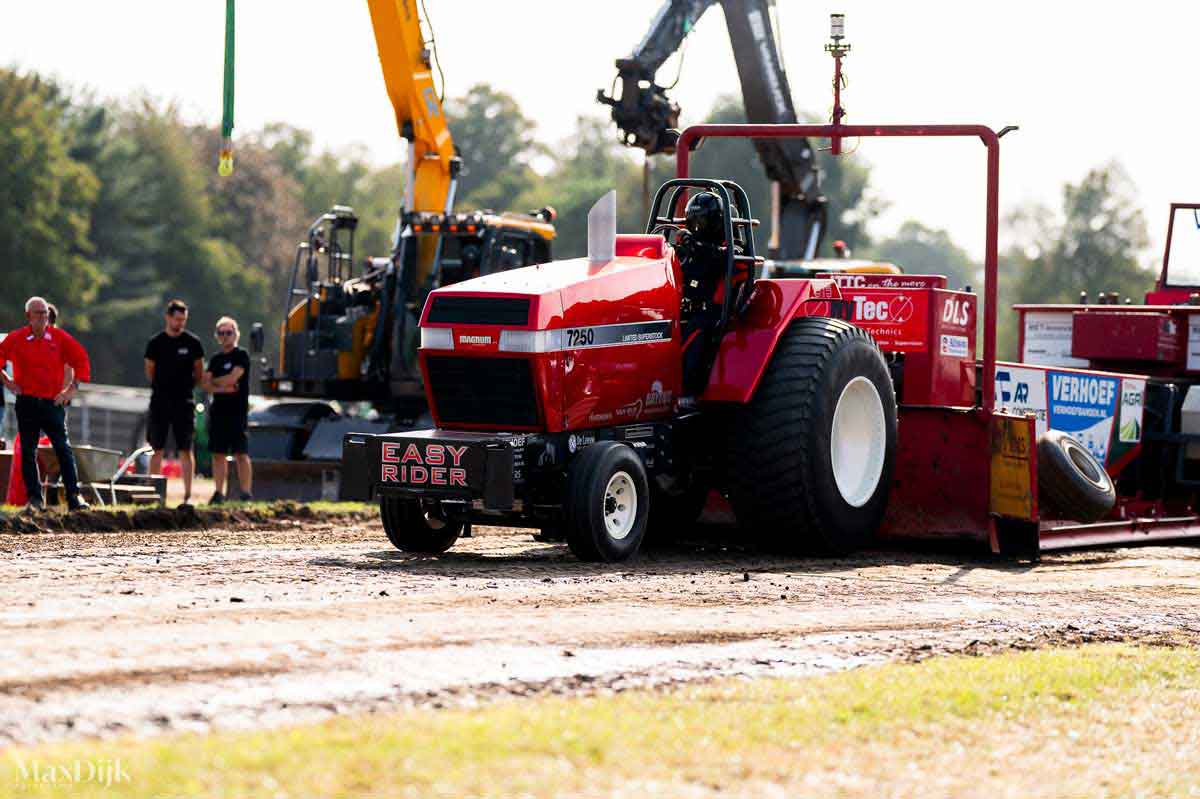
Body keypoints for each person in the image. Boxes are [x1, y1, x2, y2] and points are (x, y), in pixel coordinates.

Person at [0, 296, 92, 511]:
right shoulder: (17, 338)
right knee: (28, 450)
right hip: (27, 403)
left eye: (45, 313)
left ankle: (74, 497)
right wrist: (7, 381)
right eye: (38, 313)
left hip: (52, 403)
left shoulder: (59, 338)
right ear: (28, 316)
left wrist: (70, 390)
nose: (43, 317)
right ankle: (35, 499)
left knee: (63, 448)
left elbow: (81, 360)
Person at [144, 299, 205, 505]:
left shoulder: (193, 343)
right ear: (168, 317)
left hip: (184, 403)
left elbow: (199, 372)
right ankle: (153, 494)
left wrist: (185, 387)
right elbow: (150, 371)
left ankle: (187, 496)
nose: (180, 323)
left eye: (183, 320)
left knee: (186, 449)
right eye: (177, 319)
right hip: (160, 402)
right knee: (156, 448)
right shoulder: (155, 343)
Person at [203, 316, 252, 503]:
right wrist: (223, 387)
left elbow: (233, 378)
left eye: (228, 332)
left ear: (236, 334)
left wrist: (218, 382)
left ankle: (246, 493)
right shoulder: (215, 359)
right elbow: (205, 383)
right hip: (218, 413)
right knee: (218, 454)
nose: (225, 336)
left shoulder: (241, 356)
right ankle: (218, 493)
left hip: (237, 412)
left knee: (241, 453)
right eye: (221, 333)